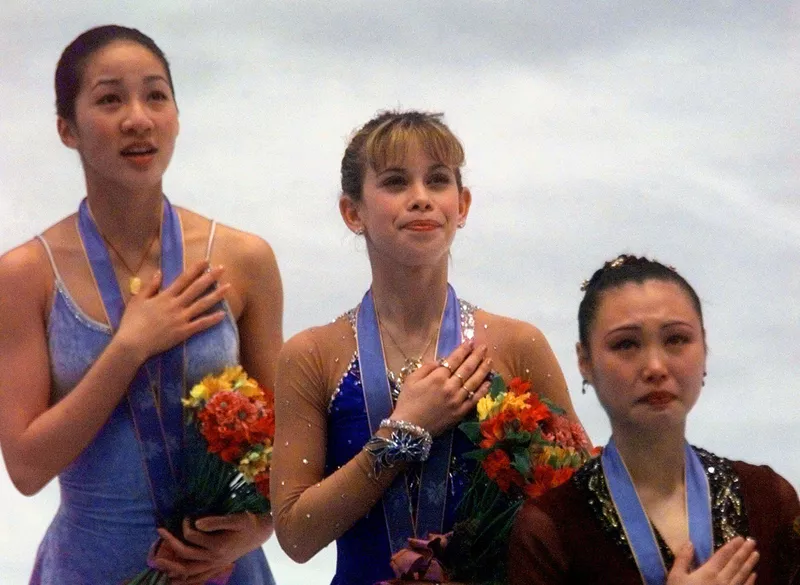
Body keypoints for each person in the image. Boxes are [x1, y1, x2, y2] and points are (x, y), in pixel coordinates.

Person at [0, 25, 283, 585]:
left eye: (156, 95)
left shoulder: (242, 259)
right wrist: (128, 347)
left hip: (223, 572)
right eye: (109, 98)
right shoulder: (26, 276)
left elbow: (291, 446)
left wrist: (259, 527)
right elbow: (27, 468)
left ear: (176, 113)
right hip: (90, 568)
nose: (138, 118)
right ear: (67, 128)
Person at [271, 110, 584, 584]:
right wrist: (405, 430)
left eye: (437, 181)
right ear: (352, 212)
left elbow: (583, 507)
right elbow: (295, 535)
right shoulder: (312, 356)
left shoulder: (517, 345)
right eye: (396, 182)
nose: (420, 199)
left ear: (462, 205)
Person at [508, 255, 800, 584]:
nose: (656, 367)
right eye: (626, 344)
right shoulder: (550, 530)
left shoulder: (769, 499)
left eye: (675, 339)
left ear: (704, 346)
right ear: (585, 361)